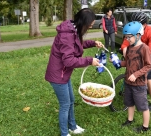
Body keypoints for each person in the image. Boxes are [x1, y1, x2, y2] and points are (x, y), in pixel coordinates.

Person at [45, 8, 104, 136]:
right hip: (58, 75)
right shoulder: (67, 35)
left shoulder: (74, 29)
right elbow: (69, 61)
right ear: (83, 22)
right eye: (90, 25)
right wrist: (89, 61)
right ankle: (64, 133)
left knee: (71, 100)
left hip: (64, 74)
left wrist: (93, 43)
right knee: (65, 104)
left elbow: (78, 45)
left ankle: (72, 126)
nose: (90, 27)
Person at [121, 12, 151, 111]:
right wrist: (124, 50)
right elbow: (125, 43)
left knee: (148, 73)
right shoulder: (133, 30)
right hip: (137, 50)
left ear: (144, 25)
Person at [120, 21, 151, 133]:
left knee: (143, 106)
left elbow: (148, 65)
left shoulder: (144, 48)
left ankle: (145, 127)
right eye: (126, 37)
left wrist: (136, 74)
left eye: (129, 37)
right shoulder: (129, 48)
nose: (127, 39)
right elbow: (127, 62)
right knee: (129, 103)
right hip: (128, 82)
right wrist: (119, 63)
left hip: (139, 84)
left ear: (138, 35)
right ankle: (130, 119)